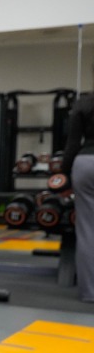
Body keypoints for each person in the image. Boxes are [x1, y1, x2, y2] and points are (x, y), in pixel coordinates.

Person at [60, 89, 94, 302]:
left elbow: (72, 144)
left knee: (88, 231)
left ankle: (90, 292)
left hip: (85, 163)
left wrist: (63, 174)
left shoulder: (84, 103)